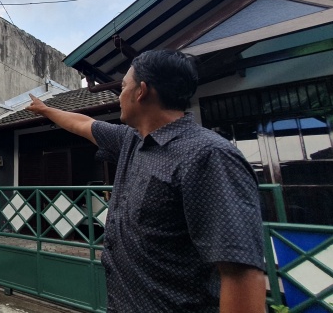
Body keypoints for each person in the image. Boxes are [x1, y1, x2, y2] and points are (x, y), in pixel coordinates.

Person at [26, 50, 265, 312]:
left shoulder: (208, 155)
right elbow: (83, 123)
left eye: (123, 87)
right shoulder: (132, 140)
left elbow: (241, 273)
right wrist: (45, 109)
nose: (119, 96)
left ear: (141, 91)